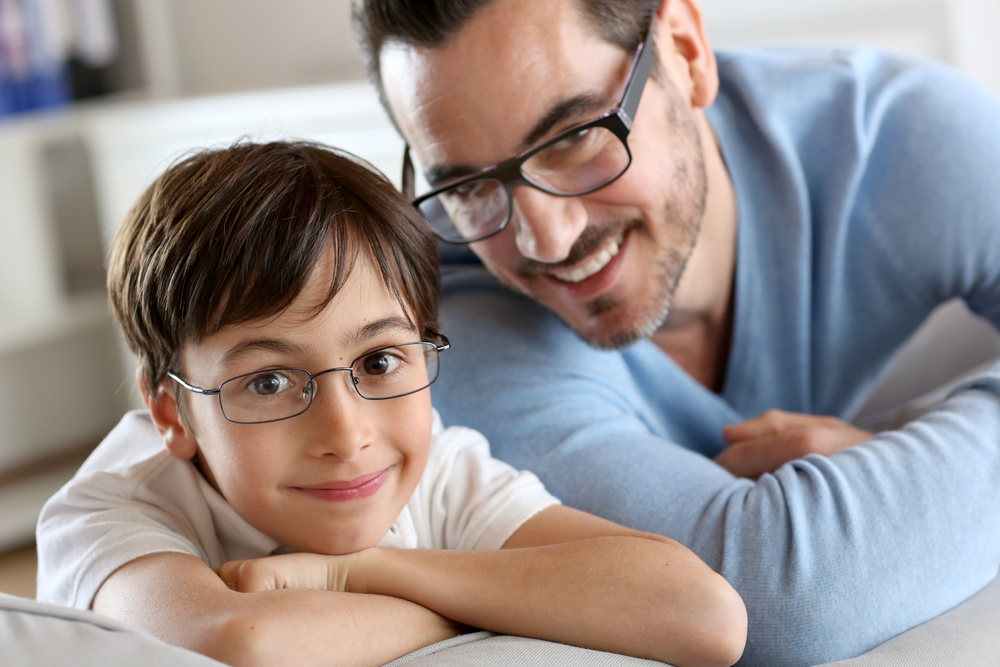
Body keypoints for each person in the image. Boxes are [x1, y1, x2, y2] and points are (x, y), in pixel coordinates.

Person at [351, 0, 1000, 664]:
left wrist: (894, 446)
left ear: (686, 51)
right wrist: (912, 457)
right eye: (467, 187)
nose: (546, 239)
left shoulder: (899, 141)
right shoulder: (450, 331)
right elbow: (779, 600)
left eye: (574, 137)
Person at [35, 141, 747, 667]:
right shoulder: (109, 511)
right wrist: (503, 605)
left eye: (378, 362)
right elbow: (242, 645)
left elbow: (704, 614)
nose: (347, 435)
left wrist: (359, 574)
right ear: (171, 413)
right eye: (270, 382)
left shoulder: (434, 467)